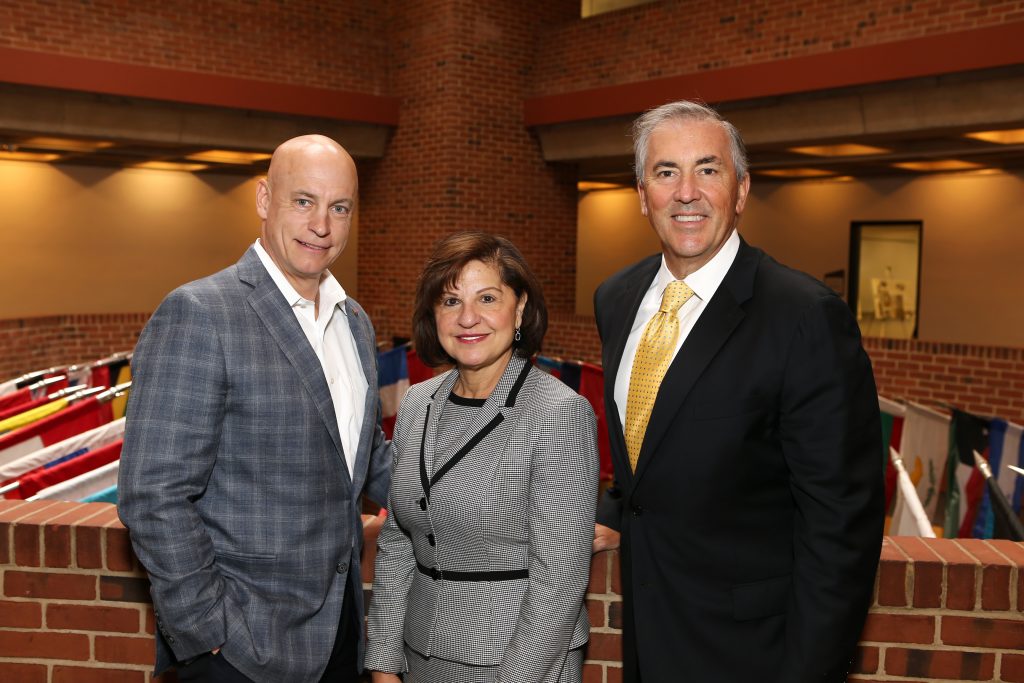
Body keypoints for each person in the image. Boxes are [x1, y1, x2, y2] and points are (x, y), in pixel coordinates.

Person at [592, 101, 884, 682]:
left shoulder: (804, 317)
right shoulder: (618, 299)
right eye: (666, 172)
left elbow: (841, 526)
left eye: (708, 169)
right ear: (641, 192)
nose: (686, 192)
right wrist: (612, 512)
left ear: (742, 189)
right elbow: (654, 458)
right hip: (649, 642)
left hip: (754, 656)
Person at [118, 134, 391, 682]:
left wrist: (518, 516)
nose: (323, 225)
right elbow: (154, 494)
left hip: (338, 636)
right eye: (303, 201)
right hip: (240, 649)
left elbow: (372, 464)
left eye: (340, 208)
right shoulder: (199, 313)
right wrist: (208, 633)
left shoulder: (353, 321)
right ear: (265, 200)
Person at [366, 232, 598, 683]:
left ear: (521, 308)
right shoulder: (417, 403)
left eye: (487, 298)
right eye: (450, 301)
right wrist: (383, 664)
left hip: (517, 663)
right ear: (433, 315)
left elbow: (560, 582)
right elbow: (398, 542)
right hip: (419, 660)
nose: (467, 317)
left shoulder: (559, 413)